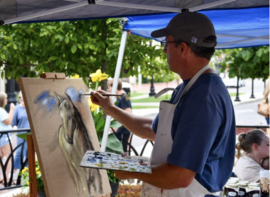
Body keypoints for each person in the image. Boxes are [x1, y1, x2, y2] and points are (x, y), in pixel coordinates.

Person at [92, 12, 234, 196]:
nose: (165, 50)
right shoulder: (188, 88)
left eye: (166, 43)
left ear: (182, 48)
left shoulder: (203, 97)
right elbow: (153, 130)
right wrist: (110, 108)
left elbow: (180, 176)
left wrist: (131, 170)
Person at [101, 79, 135, 154]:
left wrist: (117, 126)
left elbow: (128, 113)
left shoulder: (123, 97)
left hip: (123, 129)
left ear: (114, 87)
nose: (108, 89)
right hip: (121, 129)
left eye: (109, 87)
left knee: (122, 151)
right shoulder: (120, 96)